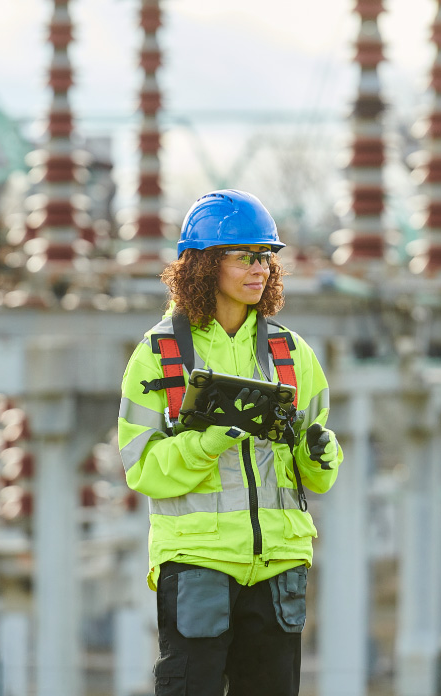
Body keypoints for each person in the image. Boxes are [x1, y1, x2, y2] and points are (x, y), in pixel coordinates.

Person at [118, 189, 342, 696]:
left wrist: (319, 453)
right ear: (204, 265)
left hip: (279, 566)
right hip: (198, 563)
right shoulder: (158, 356)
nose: (259, 268)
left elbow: (320, 474)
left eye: (266, 256)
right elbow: (142, 467)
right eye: (244, 256)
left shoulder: (292, 353)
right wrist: (207, 443)